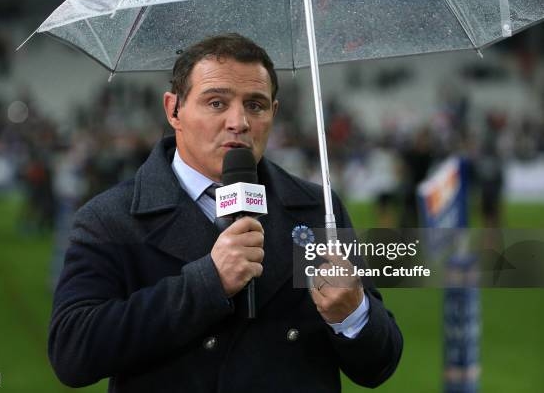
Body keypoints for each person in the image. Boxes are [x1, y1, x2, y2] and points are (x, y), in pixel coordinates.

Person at [49, 34, 402, 392]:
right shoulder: (111, 217)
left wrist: (353, 314)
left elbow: (379, 365)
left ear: (274, 113)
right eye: (216, 103)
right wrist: (207, 282)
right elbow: (72, 351)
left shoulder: (316, 208)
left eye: (256, 105)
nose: (239, 121)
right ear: (174, 110)